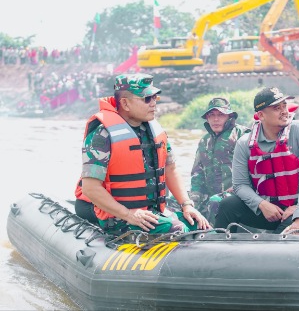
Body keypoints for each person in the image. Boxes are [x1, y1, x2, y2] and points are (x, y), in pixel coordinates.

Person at [75, 73, 209, 234]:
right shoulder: (101, 136)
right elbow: (90, 188)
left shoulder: (155, 131)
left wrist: (186, 205)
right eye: (147, 99)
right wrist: (128, 214)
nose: (153, 103)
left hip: (151, 212)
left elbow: (170, 169)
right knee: (178, 228)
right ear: (125, 103)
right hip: (120, 218)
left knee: (200, 225)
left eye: (154, 98)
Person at [214, 87, 299, 233]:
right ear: (261, 115)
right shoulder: (245, 143)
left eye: (284, 106)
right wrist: (262, 204)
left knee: (283, 235)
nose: (284, 111)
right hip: (267, 210)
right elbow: (240, 185)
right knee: (227, 205)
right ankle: (219, 249)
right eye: (277, 108)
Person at [190, 97, 250, 225]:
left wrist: (238, 189)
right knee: (178, 201)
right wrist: (193, 200)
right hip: (210, 195)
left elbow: (255, 170)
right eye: (211, 115)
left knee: (216, 201)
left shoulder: (243, 136)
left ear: (229, 116)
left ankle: (213, 237)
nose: (215, 119)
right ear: (207, 118)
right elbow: (197, 174)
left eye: (220, 115)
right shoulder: (204, 141)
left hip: (239, 195)